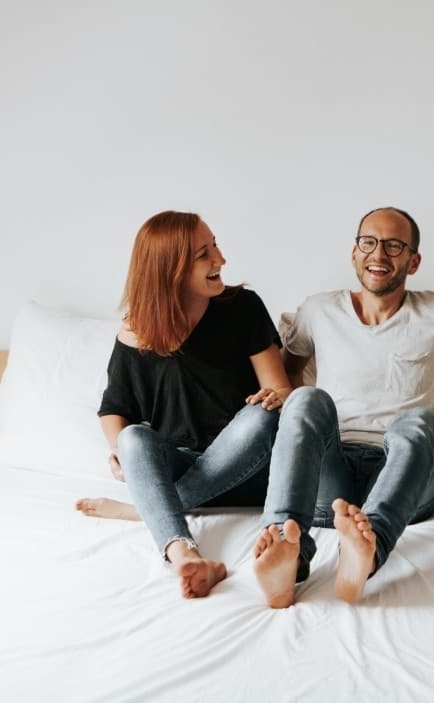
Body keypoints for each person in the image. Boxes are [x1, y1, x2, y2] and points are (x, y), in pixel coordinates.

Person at [251, 206, 434, 605]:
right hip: (332, 479)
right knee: (306, 398)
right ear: (354, 253)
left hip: (406, 476)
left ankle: (367, 553)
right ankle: (287, 553)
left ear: (413, 261)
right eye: (368, 242)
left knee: (419, 422)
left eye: (394, 246)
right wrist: (299, 431)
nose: (378, 255)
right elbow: (285, 377)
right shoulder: (318, 311)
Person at [76, 210, 299, 600]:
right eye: (204, 254)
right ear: (170, 269)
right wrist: (119, 451)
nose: (220, 259)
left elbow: (278, 390)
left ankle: (145, 510)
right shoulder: (136, 331)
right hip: (181, 466)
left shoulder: (242, 307)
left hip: (250, 471)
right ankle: (183, 553)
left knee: (261, 418)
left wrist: (277, 397)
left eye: (215, 245)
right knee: (131, 439)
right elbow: (114, 408)